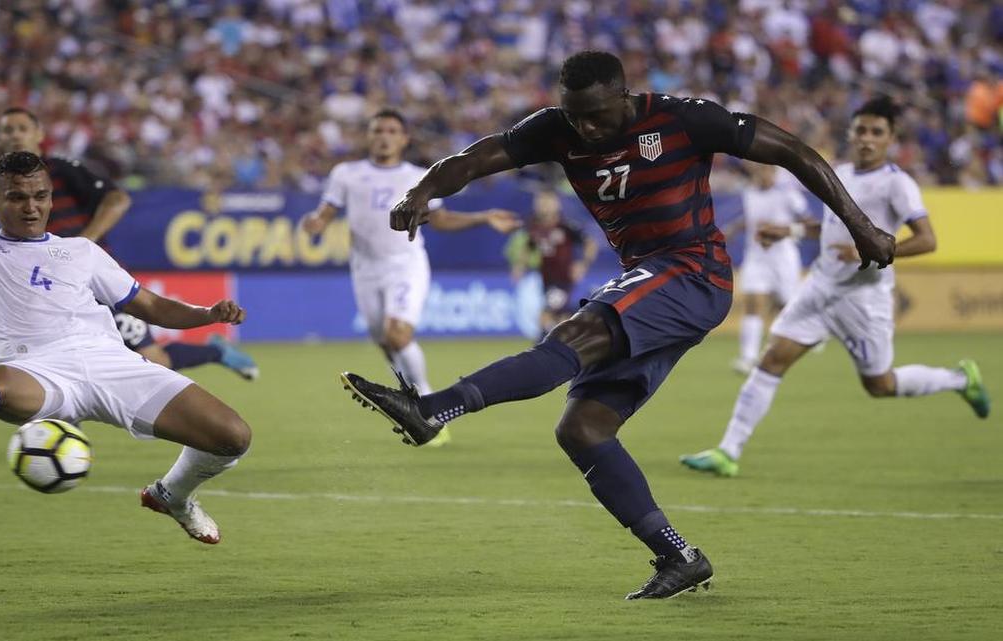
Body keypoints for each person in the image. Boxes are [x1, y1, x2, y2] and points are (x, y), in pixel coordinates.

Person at [337, 51, 896, 599]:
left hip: (693, 270)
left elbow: (795, 151)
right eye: (575, 115)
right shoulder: (558, 129)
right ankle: (678, 556)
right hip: (653, 279)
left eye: (597, 115)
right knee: (582, 430)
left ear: (623, 97)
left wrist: (860, 224)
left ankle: (434, 409)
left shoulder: (683, 118)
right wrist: (422, 190)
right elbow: (478, 157)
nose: (586, 127)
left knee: (570, 338)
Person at [0, 77, 252, 544]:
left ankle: (171, 494)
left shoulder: (81, 251)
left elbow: (149, 304)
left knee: (232, 435)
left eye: (40, 196)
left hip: (112, 365)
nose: (30, 208)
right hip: (36, 371)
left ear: (52, 198)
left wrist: (207, 313)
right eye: (16, 197)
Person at [681, 97, 990, 478]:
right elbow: (827, 228)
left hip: (863, 297)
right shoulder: (839, 171)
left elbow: (927, 240)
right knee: (772, 360)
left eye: (877, 132)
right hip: (820, 288)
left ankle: (960, 379)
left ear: (891, 138)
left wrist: (878, 248)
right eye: (861, 130)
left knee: (880, 384)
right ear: (851, 132)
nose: (866, 139)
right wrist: (790, 231)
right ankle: (727, 451)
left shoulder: (897, 183)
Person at [302, 108, 520, 447]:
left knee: (398, 334)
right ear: (369, 136)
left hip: (406, 264)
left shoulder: (419, 176)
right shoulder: (346, 174)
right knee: (387, 342)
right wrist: (315, 223)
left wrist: (484, 217)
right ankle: (415, 402)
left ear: (404, 139)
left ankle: (430, 407)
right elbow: (326, 213)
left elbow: (442, 220)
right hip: (364, 270)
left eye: (391, 131)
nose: (384, 136)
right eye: (377, 130)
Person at [0, 108, 258, 380]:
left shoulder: (59, 169)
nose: (15, 135)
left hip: (94, 281)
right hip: (52, 284)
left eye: (22, 128)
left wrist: (85, 241)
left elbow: (117, 199)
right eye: (8, 130)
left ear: (39, 134)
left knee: (157, 360)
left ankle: (216, 352)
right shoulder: (2, 182)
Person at [728, 163, 811, 374]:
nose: (762, 174)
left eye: (766, 170)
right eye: (759, 170)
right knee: (754, 303)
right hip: (756, 256)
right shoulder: (749, 193)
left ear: (774, 172)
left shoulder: (788, 194)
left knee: (787, 305)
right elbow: (750, 219)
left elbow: (807, 222)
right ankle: (748, 358)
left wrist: (786, 232)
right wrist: (733, 229)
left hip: (783, 257)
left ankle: (809, 333)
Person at [507, 190, 600, 340]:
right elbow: (529, 246)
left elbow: (590, 244)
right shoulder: (534, 226)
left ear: (556, 204)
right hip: (546, 279)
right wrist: (519, 266)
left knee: (546, 315)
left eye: (546, 202)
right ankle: (567, 346)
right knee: (561, 317)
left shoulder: (566, 226)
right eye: (540, 202)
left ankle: (542, 350)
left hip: (563, 280)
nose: (542, 205)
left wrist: (583, 264)